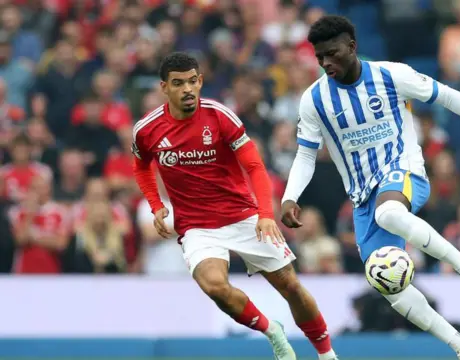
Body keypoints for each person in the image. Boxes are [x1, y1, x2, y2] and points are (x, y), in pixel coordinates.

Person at [280, 15, 460, 360]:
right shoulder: (314, 100)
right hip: (363, 195)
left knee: (390, 212)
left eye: (332, 54)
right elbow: (305, 157)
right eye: (319, 57)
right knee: (386, 282)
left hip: (404, 172)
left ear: (352, 47)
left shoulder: (391, 75)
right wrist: (290, 196)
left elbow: (447, 97)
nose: (326, 63)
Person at [132, 52, 337, 360]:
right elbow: (141, 166)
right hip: (197, 227)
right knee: (214, 287)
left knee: (290, 286)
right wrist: (156, 204)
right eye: (178, 83)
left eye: (192, 82)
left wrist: (266, 215)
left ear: (200, 81)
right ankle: (273, 331)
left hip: (242, 216)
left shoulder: (219, 116)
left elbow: (255, 166)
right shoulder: (147, 129)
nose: (187, 89)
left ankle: (326, 354)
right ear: (164, 87)